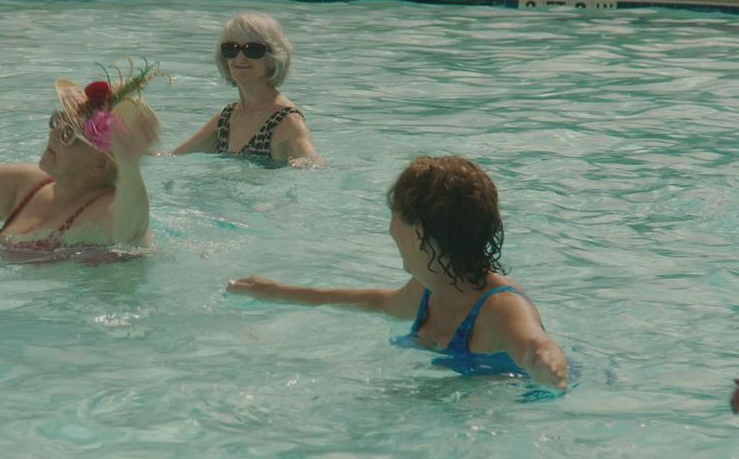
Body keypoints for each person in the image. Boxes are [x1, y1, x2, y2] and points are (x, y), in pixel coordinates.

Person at [227, 155, 570, 390]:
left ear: (419, 232)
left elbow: (537, 343)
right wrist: (275, 292)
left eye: (395, 215)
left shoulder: (501, 307)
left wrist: (547, 361)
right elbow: (377, 302)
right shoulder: (431, 287)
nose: (390, 227)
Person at [0, 60, 162, 249]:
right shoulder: (29, 185)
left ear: (99, 166)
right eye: (58, 121)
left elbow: (130, 231)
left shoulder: (106, 210)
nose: (54, 133)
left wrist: (129, 166)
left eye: (68, 135)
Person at [171, 12, 326, 169]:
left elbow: (316, 164)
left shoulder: (286, 120)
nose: (240, 58)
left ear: (272, 59)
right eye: (231, 49)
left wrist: (305, 163)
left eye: (252, 49)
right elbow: (172, 158)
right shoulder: (227, 118)